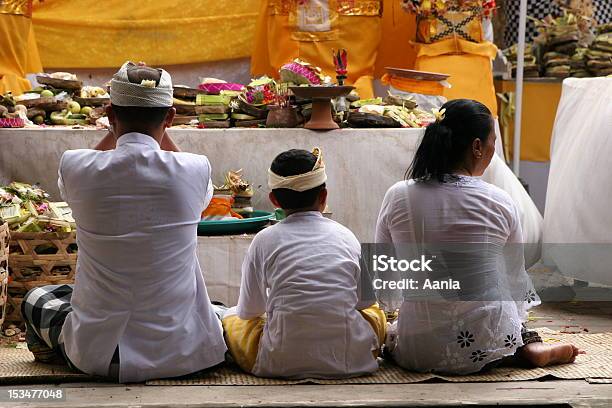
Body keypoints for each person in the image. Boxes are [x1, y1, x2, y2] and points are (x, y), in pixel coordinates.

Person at [20, 61, 227, 383]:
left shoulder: (75, 166)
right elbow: (196, 191)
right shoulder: (195, 168)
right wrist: (154, 128)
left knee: (39, 297)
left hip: (96, 356)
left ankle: (55, 354)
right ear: (170, 117)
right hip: (183, 353)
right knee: (215, 308)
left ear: (109, 114)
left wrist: (114, 127)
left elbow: (88, 168)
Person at [375, 99, 583, 375]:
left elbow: (384, 274)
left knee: (390, 333)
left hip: (417, 350)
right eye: (492, 141)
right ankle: (525, 346)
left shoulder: (398, 195)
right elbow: (513, 280)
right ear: (476, 146)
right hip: (487, 344)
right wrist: (517, 327)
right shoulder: (499, 200)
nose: (492, 149)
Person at [222, 148, 386, 379]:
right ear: (324, 196)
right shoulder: (346, 235)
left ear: (274, 200)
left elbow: (250, 311)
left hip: (279, 362)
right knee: (375, 313)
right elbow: (366, 301)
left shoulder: (264, 240)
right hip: (351, 359)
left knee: (232, 319)